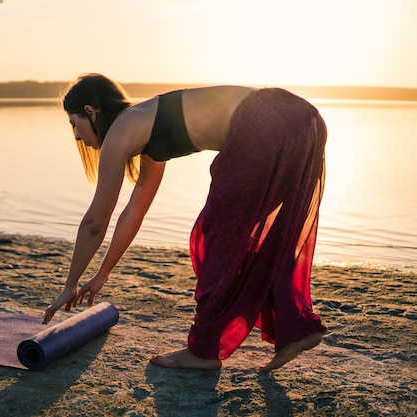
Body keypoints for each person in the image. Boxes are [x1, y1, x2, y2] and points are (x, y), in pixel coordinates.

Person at [43, 73, 327, 371]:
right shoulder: (143, 125)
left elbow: (95, 223)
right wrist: (102, 275)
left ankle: (203, 351)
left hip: (266, 121)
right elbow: (134, 210)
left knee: (212, 237)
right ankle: (295, 329)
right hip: (304, 119)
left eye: (75, 124)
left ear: (91, 111)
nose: (77, 136)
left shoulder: (121, 130)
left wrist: (69, 285)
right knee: (256, 240)